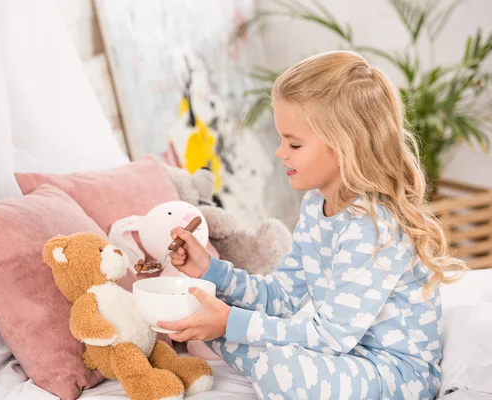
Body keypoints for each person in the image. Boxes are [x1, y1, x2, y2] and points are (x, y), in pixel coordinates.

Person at [157, 50, 465, 399]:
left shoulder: (374, 225)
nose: (280, 153)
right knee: (214, 328)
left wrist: (233, 322)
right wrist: (212, 271)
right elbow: (283, 297)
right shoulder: (315, 205)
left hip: (393, 375)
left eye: (294, 143)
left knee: (266, 356)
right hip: (344, 357)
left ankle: (270, 373)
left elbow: (331, 336)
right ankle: (263, 365)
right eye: (281, 140)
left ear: (344, 146)